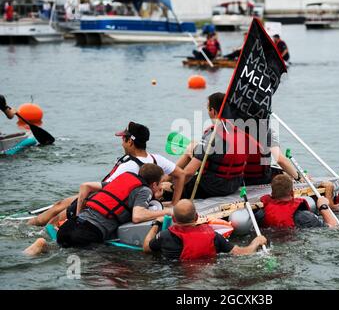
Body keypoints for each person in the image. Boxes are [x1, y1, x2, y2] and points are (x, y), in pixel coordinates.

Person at [27, 121, 185, 226]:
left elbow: (106, 191)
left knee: (59, 210)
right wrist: (175, 203)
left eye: (123, 138)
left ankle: (29, 230)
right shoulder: (156, 159)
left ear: (130, 141)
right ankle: (32, 225)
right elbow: (180, 174)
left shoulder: (128, 166)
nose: (121, 141)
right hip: (123, 202)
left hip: (102, 204)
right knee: (61, 204)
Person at [24, 163, 170, 255]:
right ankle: (43, 246)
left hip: (72, 224)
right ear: (154, 184)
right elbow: (137, 216)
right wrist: (168, 211)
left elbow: (85, 186)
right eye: (161, 183)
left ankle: (42, 246)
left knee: (61, 250)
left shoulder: (125, 179)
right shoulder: (145, 190)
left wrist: (77, 215)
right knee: (98, 260)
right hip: (89, 232)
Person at [175, 92, 249, 199]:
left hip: (211, 187)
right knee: (192, 147)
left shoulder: (212, 135)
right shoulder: (241, 129)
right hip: (234, 184)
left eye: (208, 108)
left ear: (213, 111)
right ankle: (167, 179)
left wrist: (173, 187)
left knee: (168, 190)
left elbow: (189, 173)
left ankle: (164, 180)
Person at [143, 199, 267, 260]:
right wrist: (256, 242)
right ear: (197, 217)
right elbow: (242, 253)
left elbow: (146, 248)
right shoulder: (213, 236)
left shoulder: (165, 236)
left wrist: (155, 224)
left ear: (174, 219)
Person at [256, 174, 339, 229]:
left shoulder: (261, 215)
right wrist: (323, 206)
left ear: (272, 194)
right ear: (292, 192)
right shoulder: (305, 217)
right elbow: (334, 227)